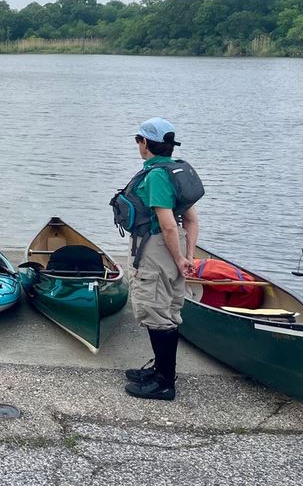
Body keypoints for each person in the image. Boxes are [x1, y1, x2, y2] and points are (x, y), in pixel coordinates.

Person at [121, 117, 200, 402]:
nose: (137, 145)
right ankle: (161, 371)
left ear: (145, 143)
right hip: (174, 244)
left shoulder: (156, 175)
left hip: (157, 247)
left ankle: (165, 383)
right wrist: (188, 255)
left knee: (156, 310)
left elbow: (166, 224)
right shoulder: (175, 170)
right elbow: (189, 220)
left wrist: (178, 259)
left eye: (138, 140)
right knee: (169, 308)